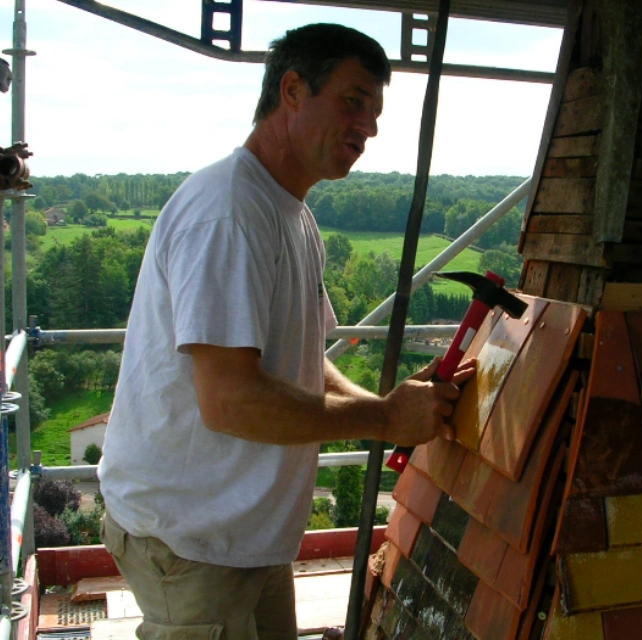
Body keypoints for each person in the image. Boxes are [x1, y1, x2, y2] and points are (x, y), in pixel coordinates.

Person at [98, 23, 473, 640]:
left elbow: (303, 362)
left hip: (246, 537)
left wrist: (387, 407)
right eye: (353, 101)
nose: (368, 127)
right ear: (292, 90)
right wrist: (381, 421)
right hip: (191, 543)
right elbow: (229, 401)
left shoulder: (291, 214)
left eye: (376, 113)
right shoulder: (229, 213)